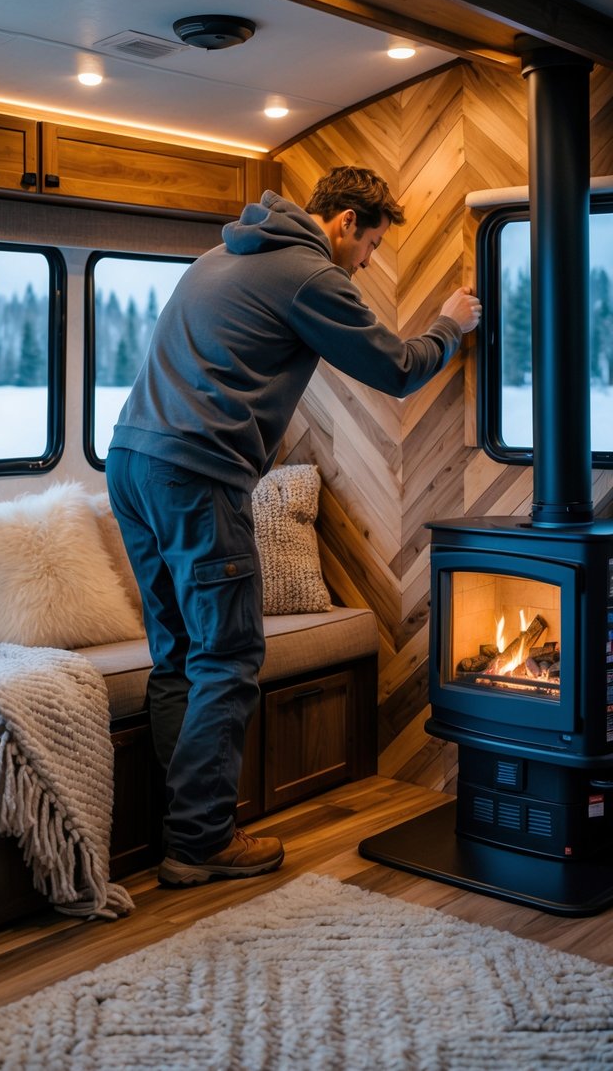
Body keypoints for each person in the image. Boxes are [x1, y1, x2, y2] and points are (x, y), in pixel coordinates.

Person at [106, 166, 481, 888]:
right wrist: (450, 324)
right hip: (196, 472)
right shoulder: (309, 273)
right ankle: (199, 840)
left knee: (180, 653)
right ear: (344, 222)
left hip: (131, 460)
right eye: (370, 245)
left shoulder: (222, 254)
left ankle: (184, 830)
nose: (366, 263)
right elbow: (398, 368)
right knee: (229, 654)